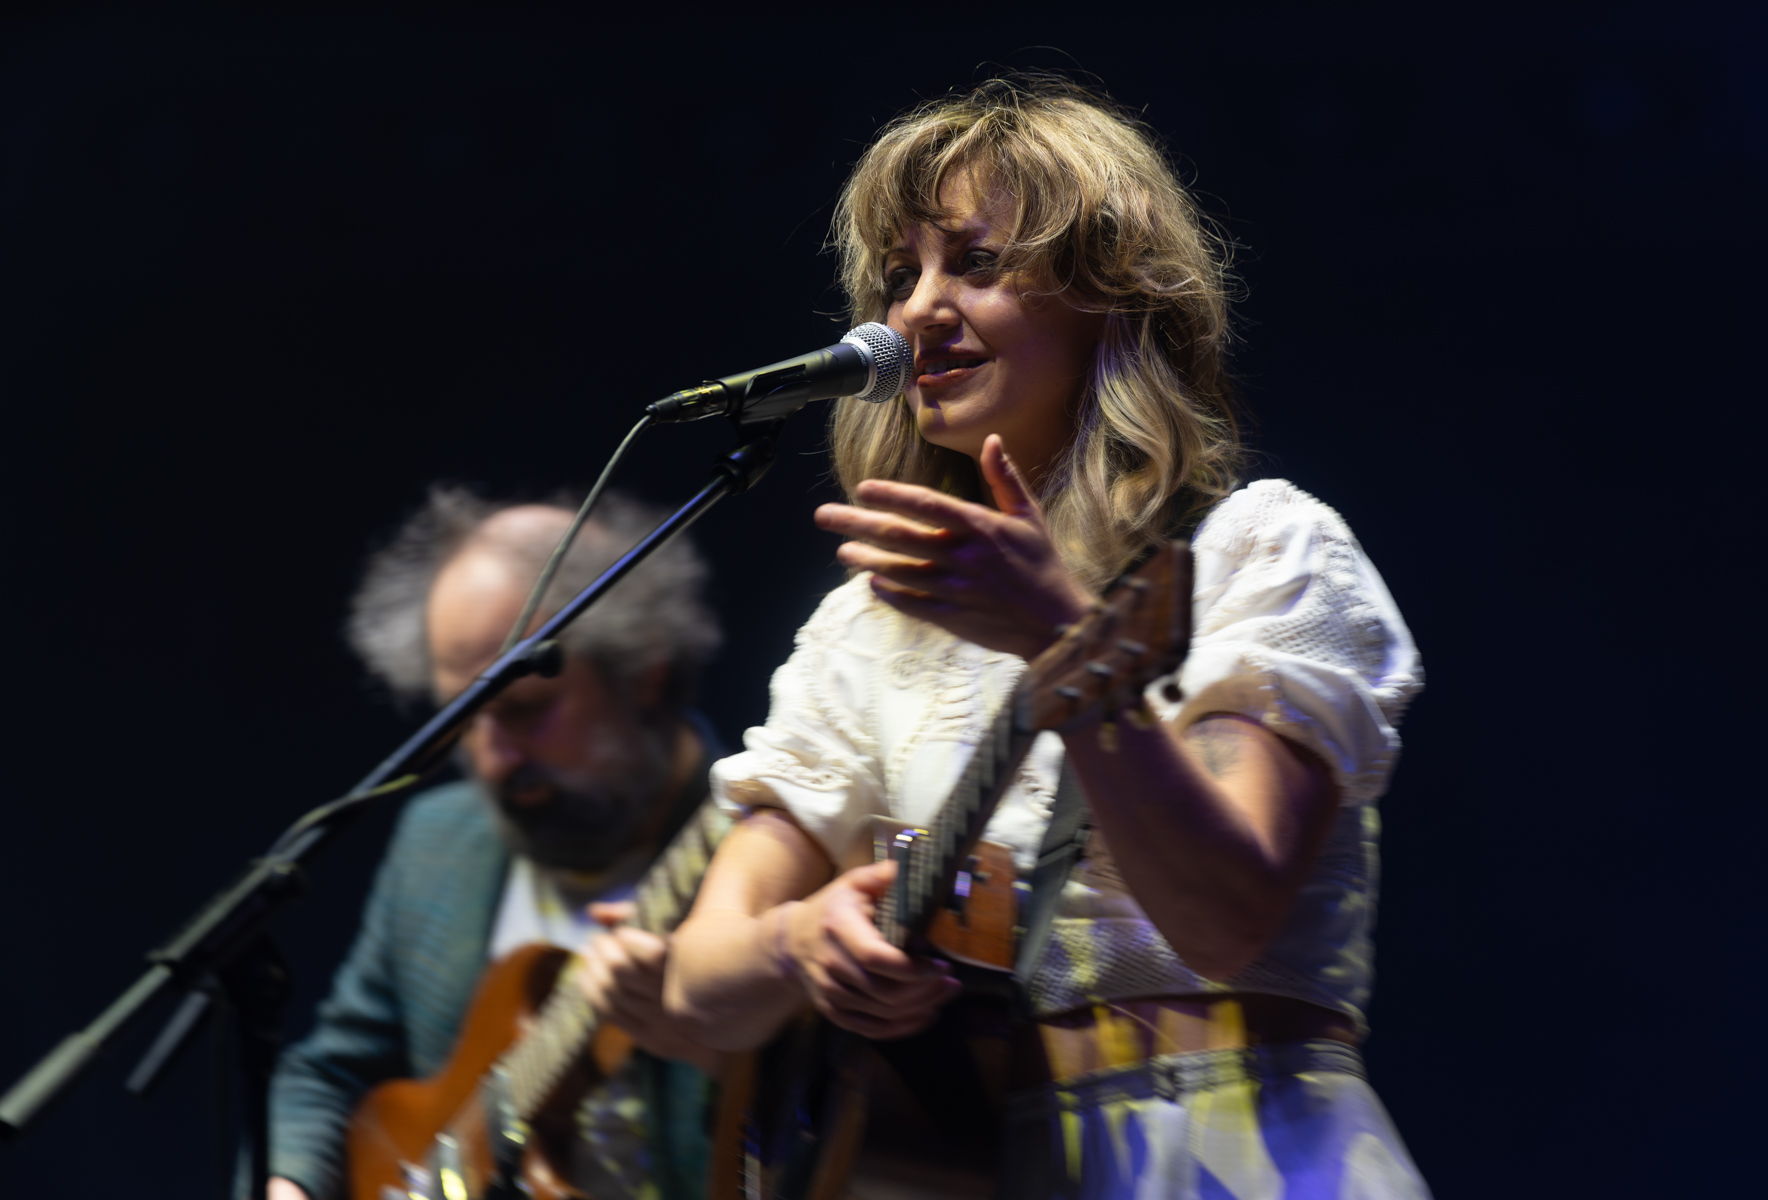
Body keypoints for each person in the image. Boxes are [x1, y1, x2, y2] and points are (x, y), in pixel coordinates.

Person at [665, 77, 1431, 1198]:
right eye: (901, 274)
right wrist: (798, 944)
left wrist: (1060, 639)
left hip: (1236, 1148)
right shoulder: (867, 628)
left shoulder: (1261, 550)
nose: (917, 309)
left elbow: (1224, 917)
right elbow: (695, 987)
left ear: (1110, 298)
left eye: (972, 263)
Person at [269, 487, 724, 1200]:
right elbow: (330, 1071)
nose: (491, 755)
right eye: (462, 718)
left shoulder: (759, 845)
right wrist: (289, 1182)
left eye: (525, 710)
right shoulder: (439, 840)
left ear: (644, 674)